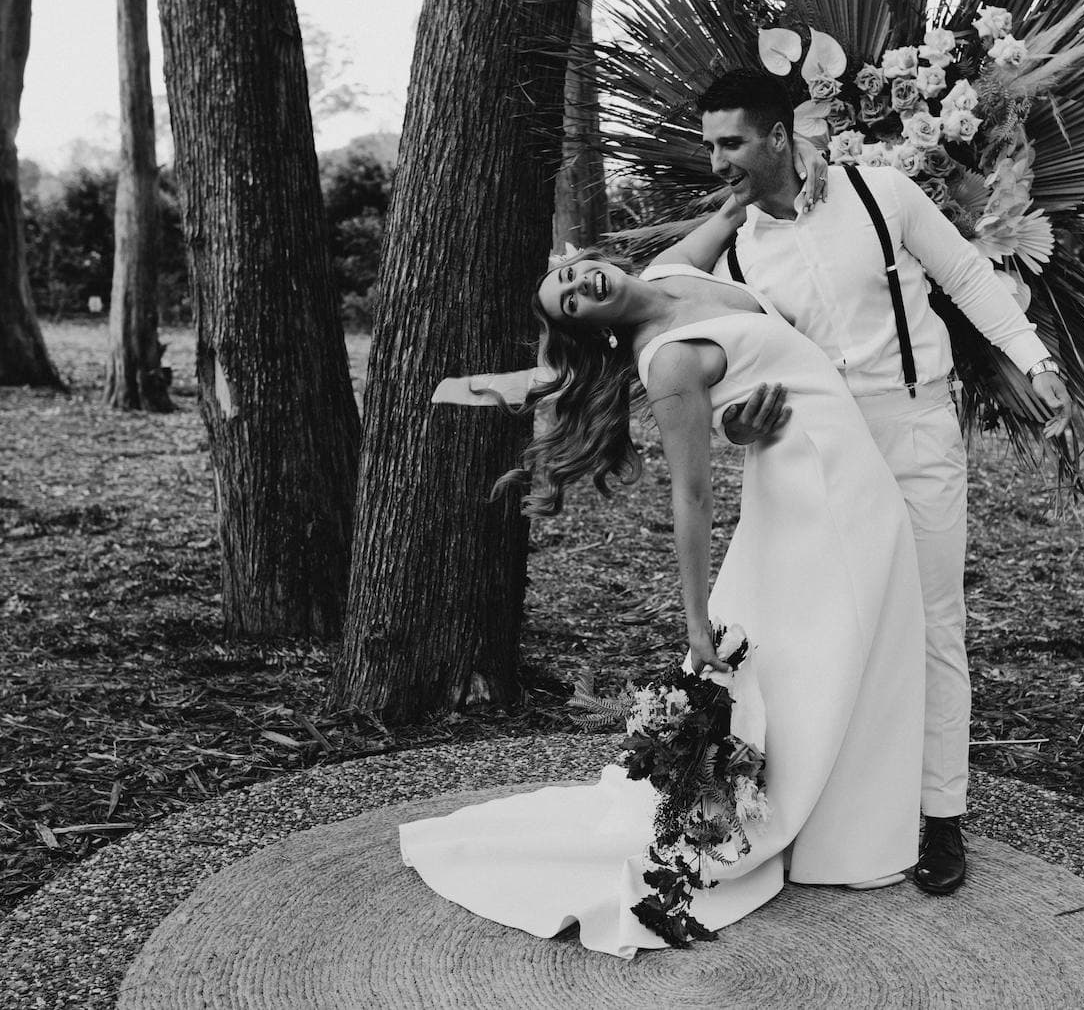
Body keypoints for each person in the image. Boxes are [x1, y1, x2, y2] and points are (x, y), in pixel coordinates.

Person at [398, 220, 929, 956]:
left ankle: (844, 829)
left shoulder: (673, 271)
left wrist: (786, 179)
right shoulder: (668, 361)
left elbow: (731, 207)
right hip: (815, 486)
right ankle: (839, 843)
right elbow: (692, 496)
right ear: (592, 330)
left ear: (591, 261)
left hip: (840, 463)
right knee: (837, 649)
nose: (580, 288)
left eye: (571, 276)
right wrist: (696, 619)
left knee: (846, 649)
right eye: (571, 304)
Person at [694, 68, 1071, 897]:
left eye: (731, 142)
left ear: (777, 136)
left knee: (935, 624)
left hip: (914, 429)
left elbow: (967, 277)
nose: (717, 160)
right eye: (710, 144)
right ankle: (827, 809)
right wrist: (735, 427)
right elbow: (731, 373)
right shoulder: (735, 250)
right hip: (817, 450)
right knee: (838, 627)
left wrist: (1033, 358)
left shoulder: (882, 194)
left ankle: (941, 816)